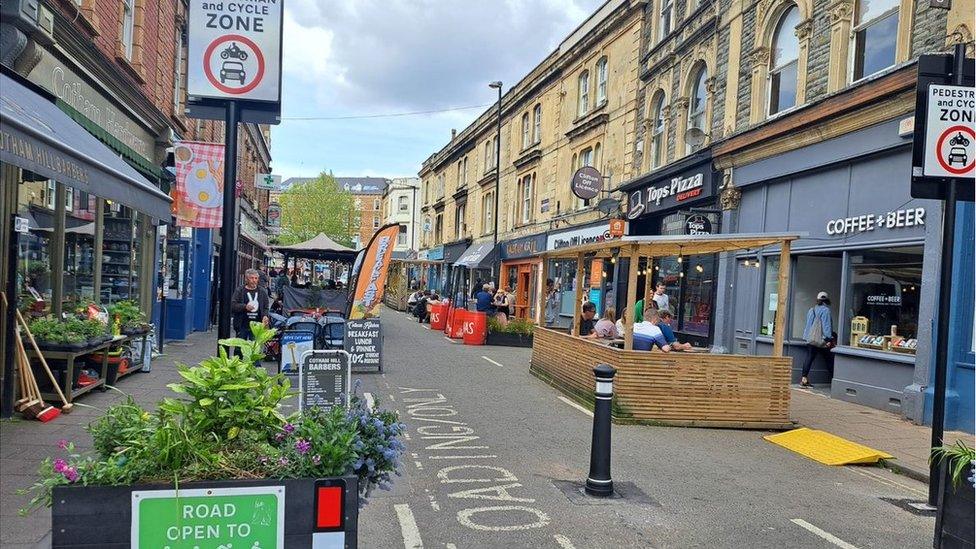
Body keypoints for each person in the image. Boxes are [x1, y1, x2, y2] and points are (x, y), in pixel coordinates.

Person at [801, 291, 835, 387]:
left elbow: (808, 325)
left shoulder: (811, 310)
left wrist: (807, 337)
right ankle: (834, 380)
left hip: (810, 339)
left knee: (809, 358)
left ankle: (804, 378)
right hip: (821, 340)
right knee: (829, 359)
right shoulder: (826, 310)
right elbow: (826, 326)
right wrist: (828, 339)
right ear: (827, 300)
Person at [231, 269, 270, 341]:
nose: (254, 280)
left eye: (256, 278)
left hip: (257, 326)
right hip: (242, 325)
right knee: (240, 348)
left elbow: (266, 307)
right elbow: (233, 305)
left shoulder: (262, 291)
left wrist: (265, 315)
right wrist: (245, 307)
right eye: (251, 278)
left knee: (254, 348)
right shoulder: (240, 290)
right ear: (246, 279)